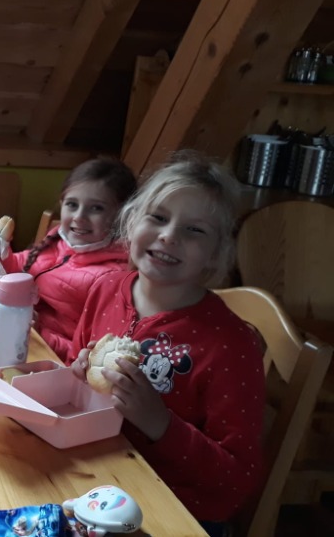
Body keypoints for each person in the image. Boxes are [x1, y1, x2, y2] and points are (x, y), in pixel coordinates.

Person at [69, 152, 265, 531]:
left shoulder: (230, 346)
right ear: (131, 221)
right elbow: (80, 384)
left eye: (194, 230)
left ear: (216, 253)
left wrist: (160, 423)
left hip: (176, 510)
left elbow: (237, 478)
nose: (169, 236)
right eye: (158, 217)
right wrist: (77, 377)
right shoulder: (105, 288)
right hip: (98, 480)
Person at [0, 157, 137, 360]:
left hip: (50, 359)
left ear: (121, 215)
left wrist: (39, 332)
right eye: (72, 204)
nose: (79, 217)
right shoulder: (59, 239)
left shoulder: (113, 279)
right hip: (19, 338)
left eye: (97, 208)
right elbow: (18, 268)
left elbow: (89, 355)